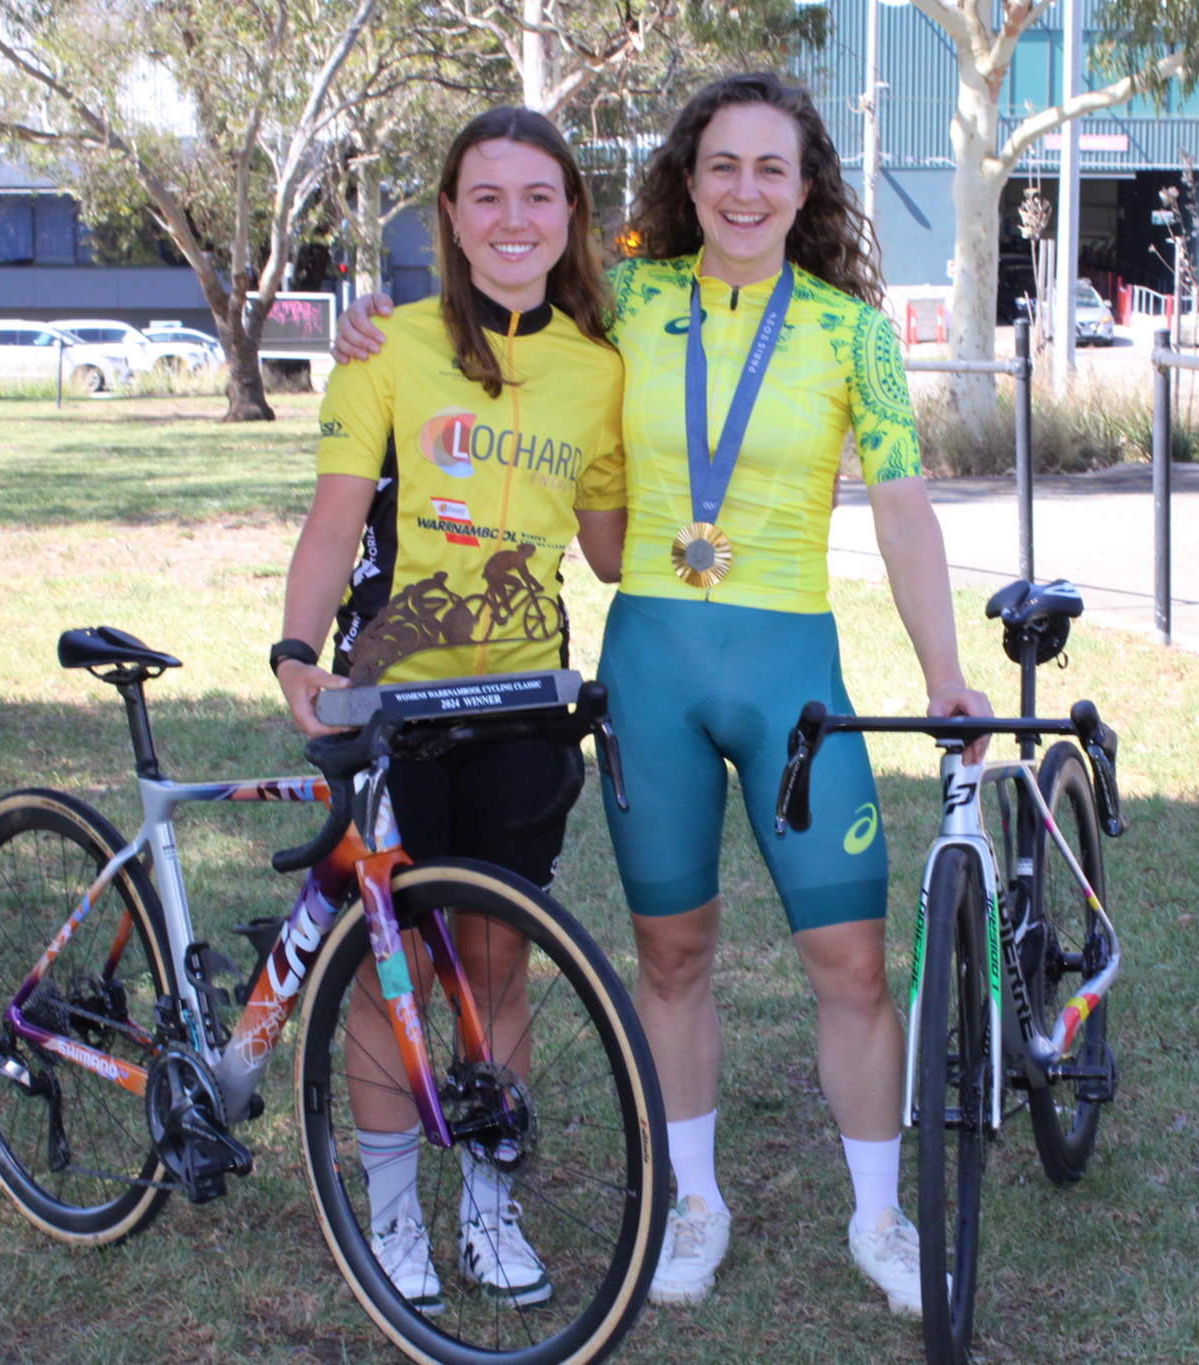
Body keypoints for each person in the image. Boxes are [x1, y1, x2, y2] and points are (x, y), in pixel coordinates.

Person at [334, 72, 990, 1320]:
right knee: (670, 953)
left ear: (807, 190)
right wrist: (377, 319)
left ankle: (880, 1219)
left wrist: (942, 673)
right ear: (686, 183)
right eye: (722, 167)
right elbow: (496, 301)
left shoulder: (853, 331)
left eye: (771, 169)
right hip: (649, 667)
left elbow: (902, 509)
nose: (745, 190)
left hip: (792, 673)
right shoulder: (626, 300)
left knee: (851, 962)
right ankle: (693, 1204)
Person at [271, 106, 626, 1312]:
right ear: (452, 216)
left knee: (496, 967)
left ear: (569, 215)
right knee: (390, 974)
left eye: (538, 196)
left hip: (524, 706)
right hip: (391, 707)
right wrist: (291, 654)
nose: (513, 219)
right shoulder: (387, 348)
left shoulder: (601, 367)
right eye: (487, 196)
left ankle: (486, 1207)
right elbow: (332, 522)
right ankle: (390, 1222)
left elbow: (615, 546)